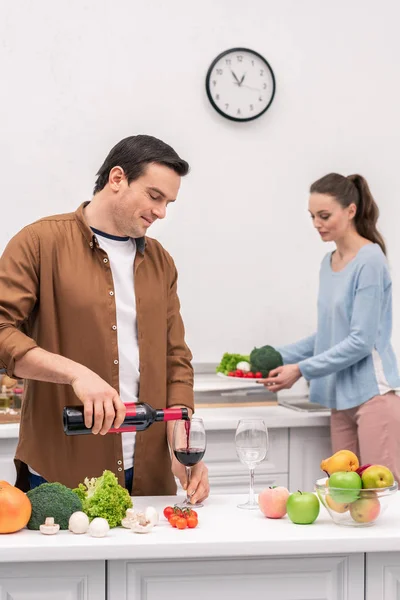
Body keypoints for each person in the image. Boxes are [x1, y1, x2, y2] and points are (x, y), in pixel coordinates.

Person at [0, 134, 209, 503]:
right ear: (117, 179)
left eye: (168, 202)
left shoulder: (161, 261)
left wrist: (181, 444)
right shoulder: (38, 243)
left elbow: (176, 360)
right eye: (154, 196)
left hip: (148, 475)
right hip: (62, 469)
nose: (161, 212)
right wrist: (76, 374)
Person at [262, 173, 400, 482]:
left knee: (382, 497)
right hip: (340, 400)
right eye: (312, 216)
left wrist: (301, 370)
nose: (316, 223)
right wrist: (274, 357)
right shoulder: (329, 263)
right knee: (343, 493)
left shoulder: (370, 261)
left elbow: (361, 341)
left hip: (373, 397)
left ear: (351, 210)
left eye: (324, 215)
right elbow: (328, 335)